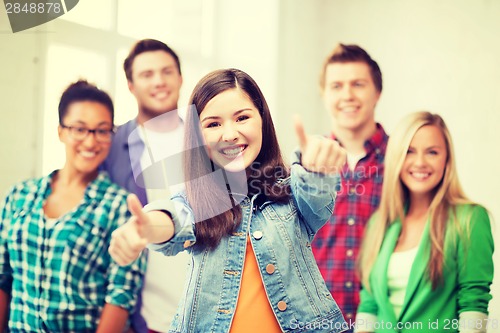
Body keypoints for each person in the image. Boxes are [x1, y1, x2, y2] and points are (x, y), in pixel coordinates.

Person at [109, 68, 349, 332]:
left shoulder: (291, 192)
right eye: (213, 124)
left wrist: (317, 170)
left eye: (242, 118)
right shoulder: (196, 201)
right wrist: (145, 228)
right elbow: (173, 217)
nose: (230, 134)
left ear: (262, 120)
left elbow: (318, 200)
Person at [0, 80, 145, 332]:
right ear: (61, 131)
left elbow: (121, 296)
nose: (90, 142)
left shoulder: (120, 207)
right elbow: (2, 278)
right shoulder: (19, 196)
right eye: (79, 129)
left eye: (101, 130)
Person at [355, 112, 494, 333]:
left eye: (432, 152)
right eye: (409, 151)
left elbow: (473, 302)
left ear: (447, 159)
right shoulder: (379, 224)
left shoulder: (470, 219)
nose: (420, 162)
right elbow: (369, 304)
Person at [102, 39, 189, 333]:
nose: (159, 81)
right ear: (130, 85)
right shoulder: (112, 146)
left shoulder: (207, 137)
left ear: (180, 77)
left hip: (210, 311)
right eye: (147, 74)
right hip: (146, 318)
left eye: (166, 72)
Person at [312, 43, 389, 329]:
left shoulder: (404, 162)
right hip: (317, 321)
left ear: (377, 92)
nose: (347, 95)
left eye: (358, 84)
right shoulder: (306, 163)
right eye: (336, 86)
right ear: (324, 94)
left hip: (386, 319)